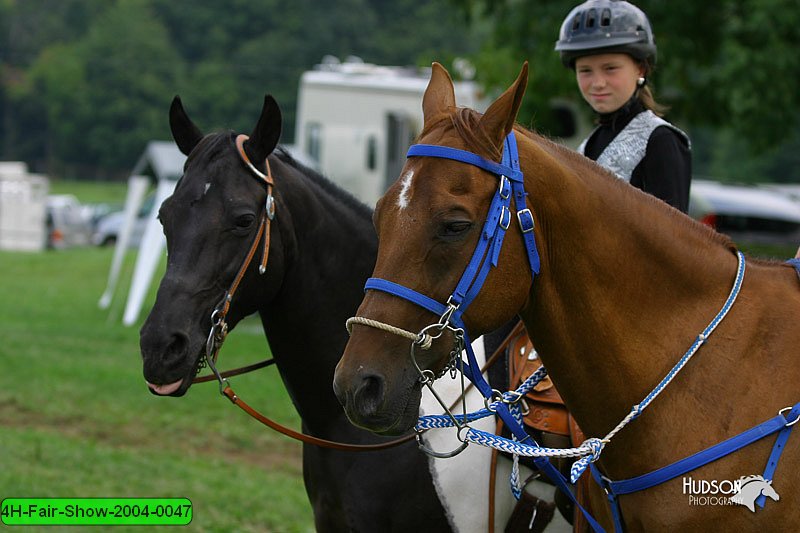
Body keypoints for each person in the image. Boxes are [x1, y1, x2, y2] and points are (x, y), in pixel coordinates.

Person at [555, 0, 691, 213]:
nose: (598, 82)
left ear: (641, 70)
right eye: (585, 71)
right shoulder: (589, 144)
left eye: (610, 68)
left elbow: (673, 240)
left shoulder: (661, 140)